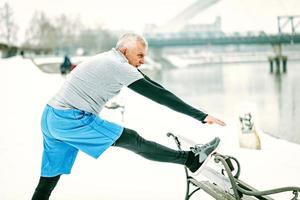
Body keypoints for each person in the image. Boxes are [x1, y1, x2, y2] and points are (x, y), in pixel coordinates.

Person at [31, 33, 226, 200]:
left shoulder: (110, 59)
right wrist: (201, 116)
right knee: (132, 139)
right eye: (140, 55)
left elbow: (155, 86)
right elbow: (159, 96)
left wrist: (200, 114)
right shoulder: (118, 66)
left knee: (48, 179)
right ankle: (192, 160)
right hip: (71, 119)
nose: (143, 60)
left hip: (50, 116)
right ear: (125, 51)